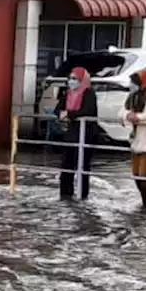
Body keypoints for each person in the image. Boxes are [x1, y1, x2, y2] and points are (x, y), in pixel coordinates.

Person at [55, 65, 97, 200]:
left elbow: (89, 110)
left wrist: (69, 114)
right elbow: (58, 109)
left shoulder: (89, 93)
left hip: (86, 135)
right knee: (66, 166)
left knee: (83, 166)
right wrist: (61, 113)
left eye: (75, 78)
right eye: (70, 78)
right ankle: (65, 195)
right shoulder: (68, 93)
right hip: (70, 134)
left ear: (82, 80)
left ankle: (83, 196)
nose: (71, 81)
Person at [123, 69, 146, 210]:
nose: (130, 85)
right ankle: (145, 203)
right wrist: (128, 115)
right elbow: (122, 110)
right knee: (136, 175)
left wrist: (137, 117)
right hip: (137, 141)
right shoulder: (132, 97)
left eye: (133, 82)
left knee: (144, 176)